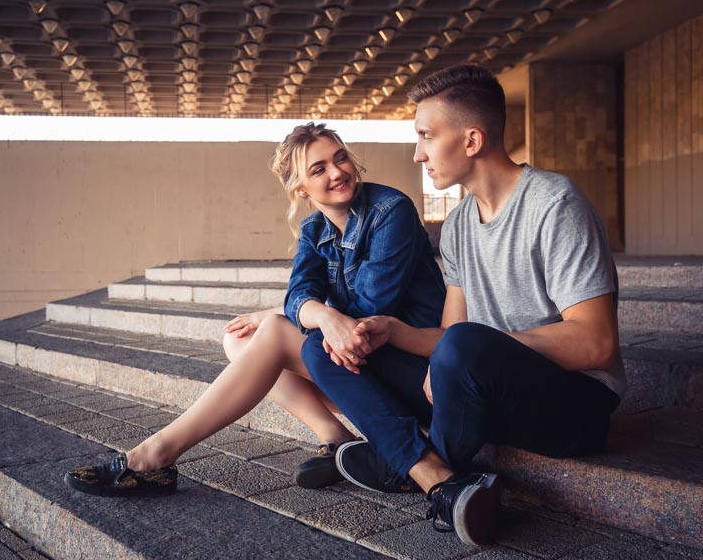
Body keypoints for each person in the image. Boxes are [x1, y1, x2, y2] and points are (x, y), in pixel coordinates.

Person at [302, 65, 625, 546]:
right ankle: (435, 477)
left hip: (573, 405)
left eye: (426, 136)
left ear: (472, 140)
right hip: (482, 387)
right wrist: (392, 331)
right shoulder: (457, 226)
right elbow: (448, 336)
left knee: (464, 345)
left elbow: (596, 344)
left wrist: (469, 353)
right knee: (323, 348)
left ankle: (399, 462)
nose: (418, 153)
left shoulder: (555, 203)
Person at [64, 122, 445, 497]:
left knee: (275, 332)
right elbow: (300, 293)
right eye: (318, 169)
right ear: (300, 188)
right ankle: (337, 439)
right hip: (366, 365)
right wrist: (318, 313)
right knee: (240, 340)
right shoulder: (314, 230)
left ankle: (157, 453)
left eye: (340, 158)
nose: (337, 172)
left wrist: (306, 313)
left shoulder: (390, 210)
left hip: (422, 375)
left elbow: (368, 310)